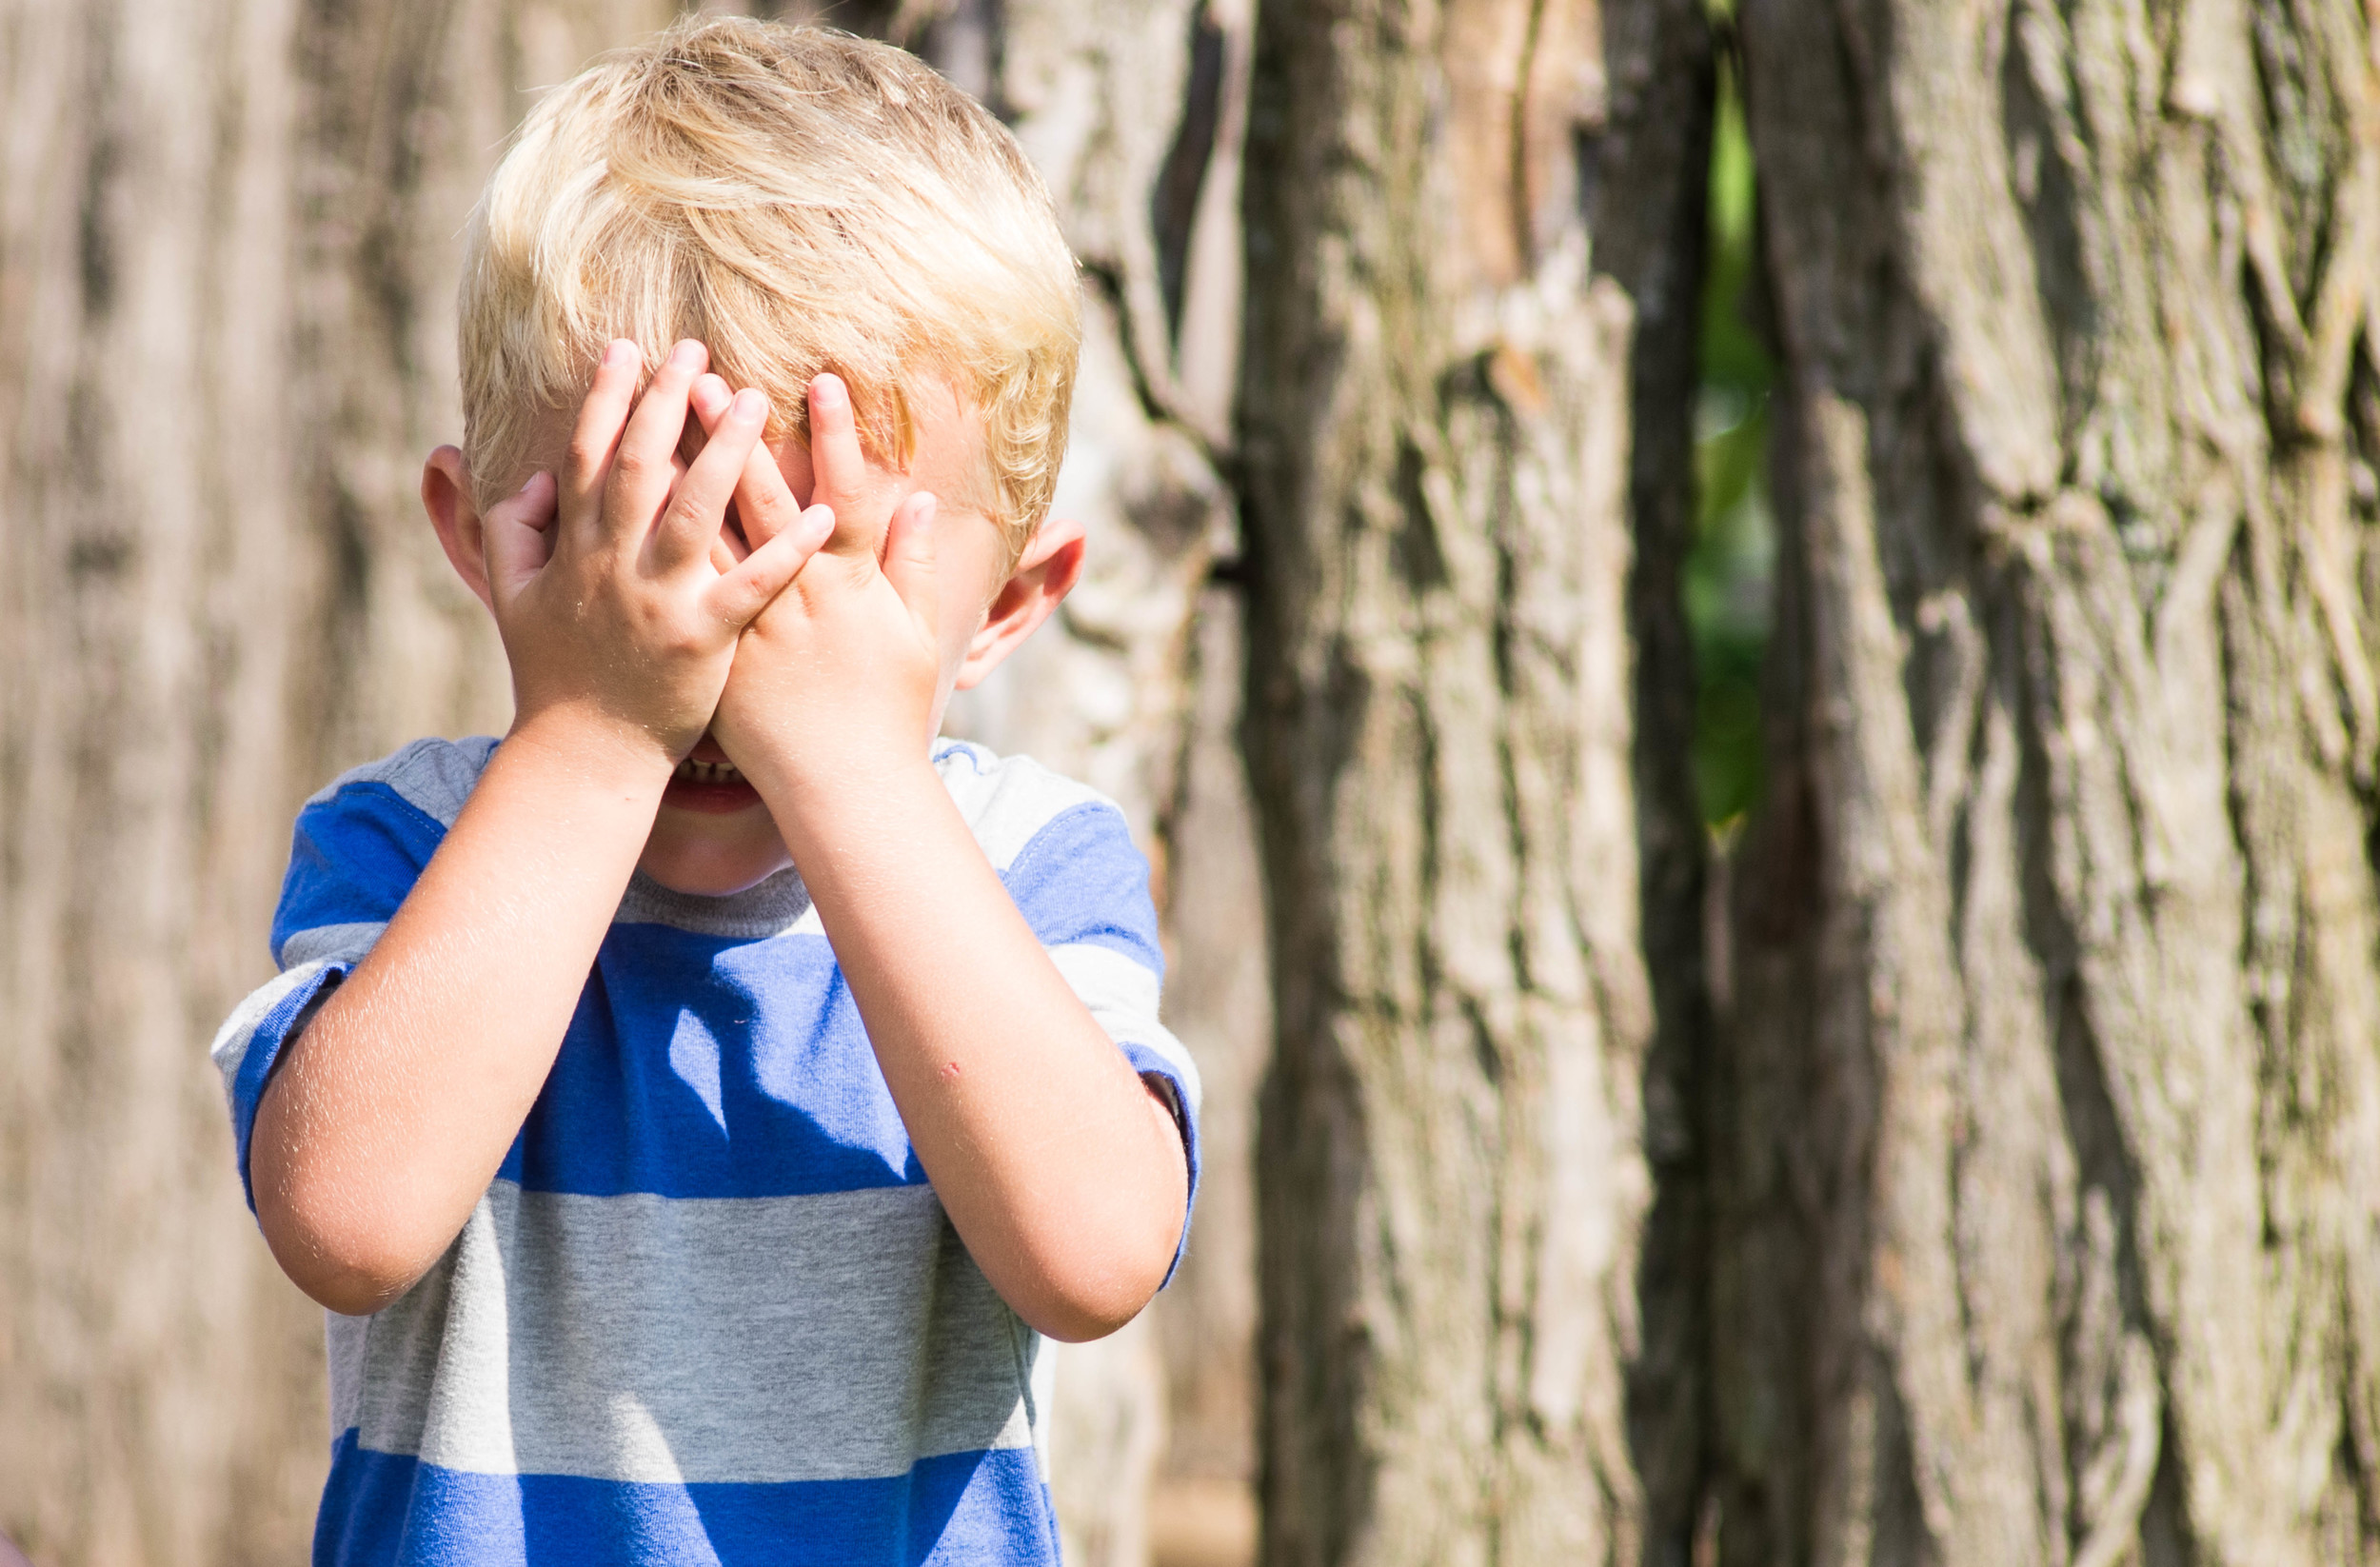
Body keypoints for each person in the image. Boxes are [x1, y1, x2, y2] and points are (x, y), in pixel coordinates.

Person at [207, 18, 1198, 1564]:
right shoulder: (410, 847)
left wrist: (855, 768)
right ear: (480, 538)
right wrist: (596, 730)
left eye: (818, 574)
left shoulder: (1024, 863)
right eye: (642, 547)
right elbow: (346, 1222)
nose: (716, 649)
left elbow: (1096, 1256)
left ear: (1008, 602)